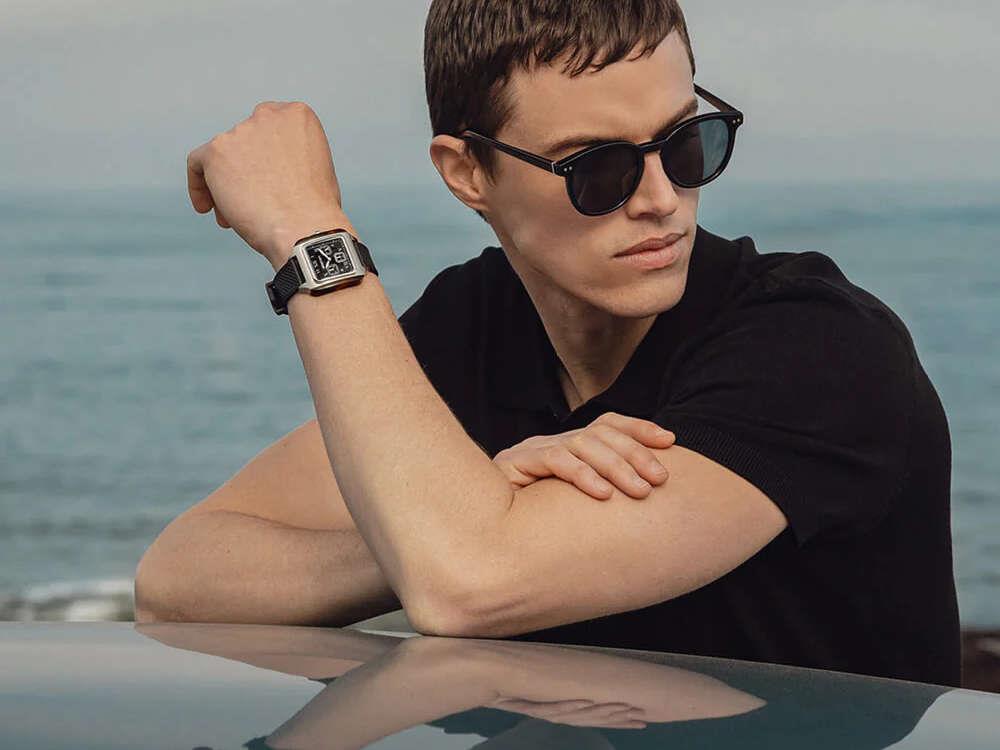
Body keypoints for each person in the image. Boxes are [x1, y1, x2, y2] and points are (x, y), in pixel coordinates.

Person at [134, 0, 962, 687]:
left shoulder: (818, 348)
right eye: (598, 169)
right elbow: (177, 583)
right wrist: (440, 523)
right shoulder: (473, 324)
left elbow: (469, 585)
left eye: (686, 144)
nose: (660, 199)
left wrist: (313, 237)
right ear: (468, 174)